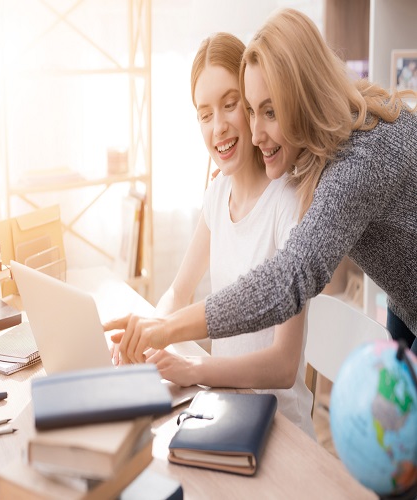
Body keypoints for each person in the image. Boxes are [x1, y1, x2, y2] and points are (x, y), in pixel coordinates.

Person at [104, 8, 417, 365]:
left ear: (304, 97)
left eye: (270, 111)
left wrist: (167, 329)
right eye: (252, 110)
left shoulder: (358, 161)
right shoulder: (331, 129)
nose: (254, 133)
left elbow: (288, 280)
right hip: (406, 298)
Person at [129, 32, 314, 438]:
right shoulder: (217, 195)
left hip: (281, 431)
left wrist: (195, 367)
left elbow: (283, 366)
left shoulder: (289, 206)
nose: (218, 127)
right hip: (226, 412)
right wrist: (144, 337)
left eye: (230, 105)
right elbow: (178, 293)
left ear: (251, 105)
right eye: (204, 114)